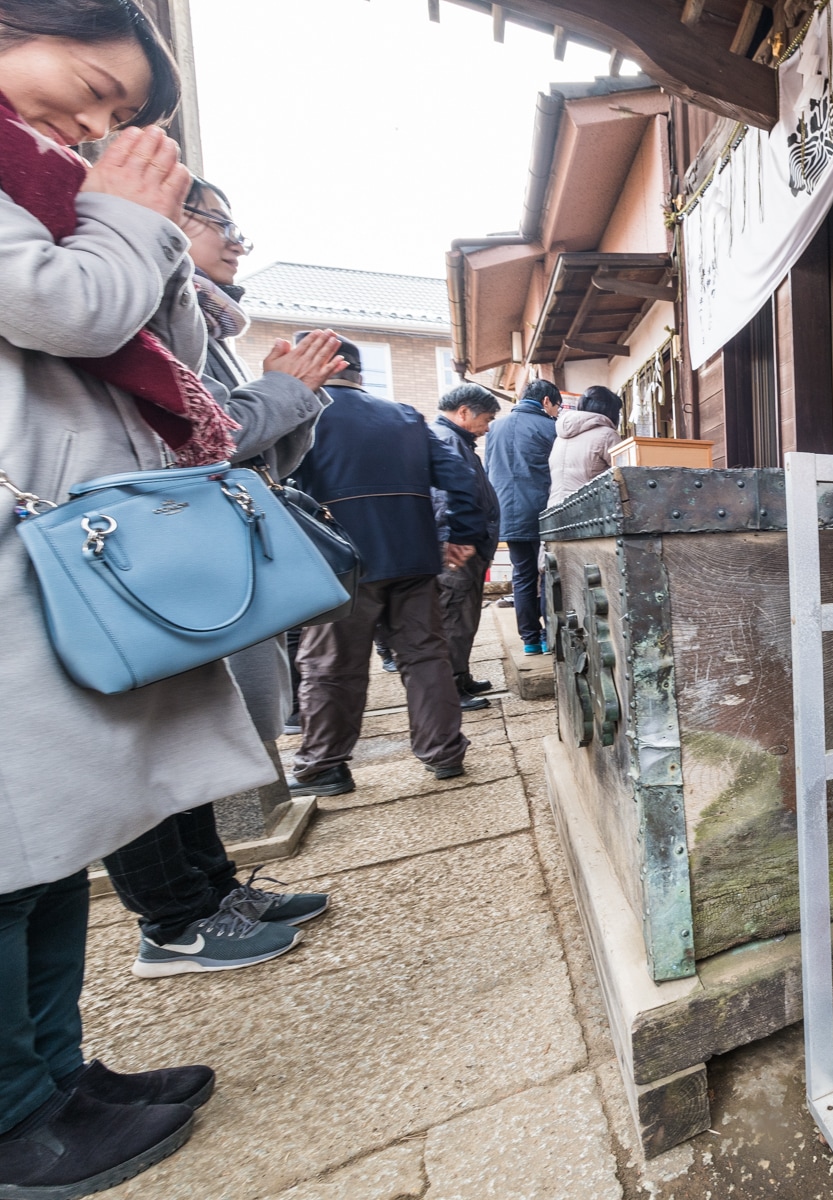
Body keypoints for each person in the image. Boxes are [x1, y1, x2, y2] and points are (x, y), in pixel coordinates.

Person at [0, 3, 262, 1193]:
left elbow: (154, 337)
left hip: (50, 538)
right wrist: (130, 212)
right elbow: (73, 307)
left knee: (52, 842)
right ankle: (13, 1116)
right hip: (29, 538)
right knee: (8, 849)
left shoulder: (50, 183)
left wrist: (117, 214)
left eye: (121, 110)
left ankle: (54, 1076)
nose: (99, 120)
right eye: (92, 80)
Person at [98, 176, 341, 980]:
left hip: (185, 551)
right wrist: (283, 394)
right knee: (142, 747)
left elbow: (248, 449)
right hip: (144, 554)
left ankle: (214, 894)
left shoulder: (202, 318)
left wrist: (289, 399)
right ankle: (173, 920)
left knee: (182, 735)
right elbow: (195, 436)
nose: (236, 240)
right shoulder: (119, 296)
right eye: (218, 223)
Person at [286, 341, 484, 797]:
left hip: (340, 561)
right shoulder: (405, 416)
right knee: (426, 655)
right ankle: (444, 752)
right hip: (413, 555)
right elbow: (458, 477)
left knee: (331, 664)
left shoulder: (302, 415)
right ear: (357, 372)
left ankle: (323, 765)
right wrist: (463, 535)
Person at [431, 384, 502, 709]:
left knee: (465, 616)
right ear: (463, 412)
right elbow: (448, 500)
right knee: (453, 618)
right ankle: (451, 689)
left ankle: (461, 676)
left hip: (466, 546)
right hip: (456, 550)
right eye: (485, 419)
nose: (487, 428)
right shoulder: (447, 443)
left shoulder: (456, 441)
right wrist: (459, 541)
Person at [486, 378, 561, 654]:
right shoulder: (550, 427)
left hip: (506, 511)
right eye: (557, 406)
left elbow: (487, 471)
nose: (557, 412)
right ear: (545, 402)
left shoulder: (494, 428)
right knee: (548, 573)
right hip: (541, 511)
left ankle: (529, 639)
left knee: (523, 575)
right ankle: (548, 635)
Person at [548, 385, 620, 506]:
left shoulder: (560, 438)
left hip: (555, 511)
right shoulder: (607, 435)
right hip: (587, 511)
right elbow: (625, 472)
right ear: (610, 411)